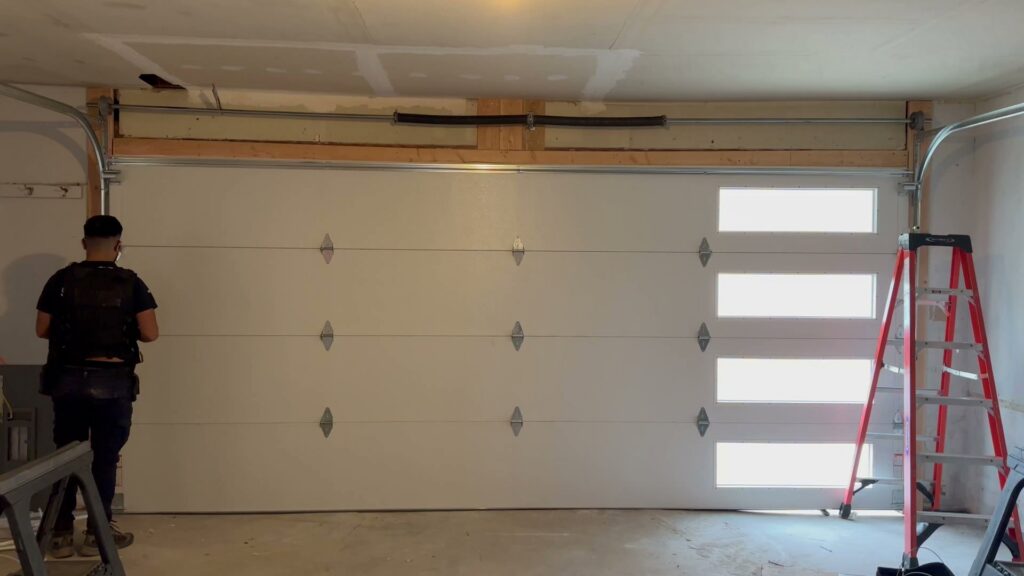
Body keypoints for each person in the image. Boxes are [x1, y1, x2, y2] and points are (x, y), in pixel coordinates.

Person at [35, 215, 158, 558]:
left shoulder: (60, 280)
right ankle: (96, 536)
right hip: (113, 383)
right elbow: (150, 332)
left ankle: (59, 536)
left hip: (68, 380)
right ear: (118, 246)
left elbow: (41, 328)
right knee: (105, 458)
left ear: (83, 243)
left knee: (67, 456)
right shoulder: (131, 283)